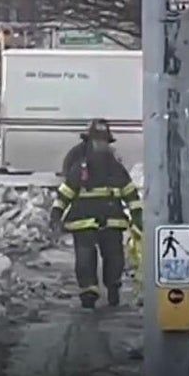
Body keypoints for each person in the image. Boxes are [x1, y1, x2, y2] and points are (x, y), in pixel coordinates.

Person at [50, 119, 144, 309]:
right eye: (97, 141)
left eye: (103, 141)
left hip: (112, 222)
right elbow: (66, 192)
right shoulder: (80, 168)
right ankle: (88, 293)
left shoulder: (117, 169)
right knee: (85, 258)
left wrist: (137, 216)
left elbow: (130, 193)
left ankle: (113, 287)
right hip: (83, 222)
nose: (100, 145)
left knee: (115, 258)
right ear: (90, 142)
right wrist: (56, 214)